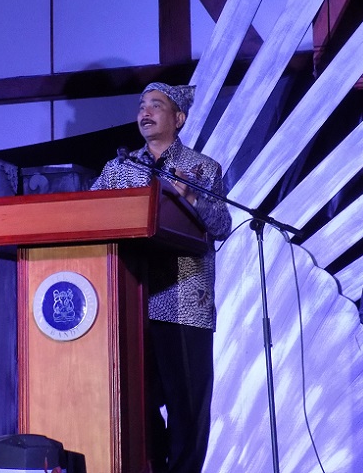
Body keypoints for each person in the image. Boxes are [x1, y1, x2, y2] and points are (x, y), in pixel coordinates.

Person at [91, 82, 232, 472]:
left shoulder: (202, 168)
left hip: (184, 296)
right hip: (131, 296)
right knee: (134, 399)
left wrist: (192, 198)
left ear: (178, 118)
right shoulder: (118, 168)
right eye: (141, 106)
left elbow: (222, 226)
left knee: (188, 407)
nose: (145, 112)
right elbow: (88, 214)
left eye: (156, 105)